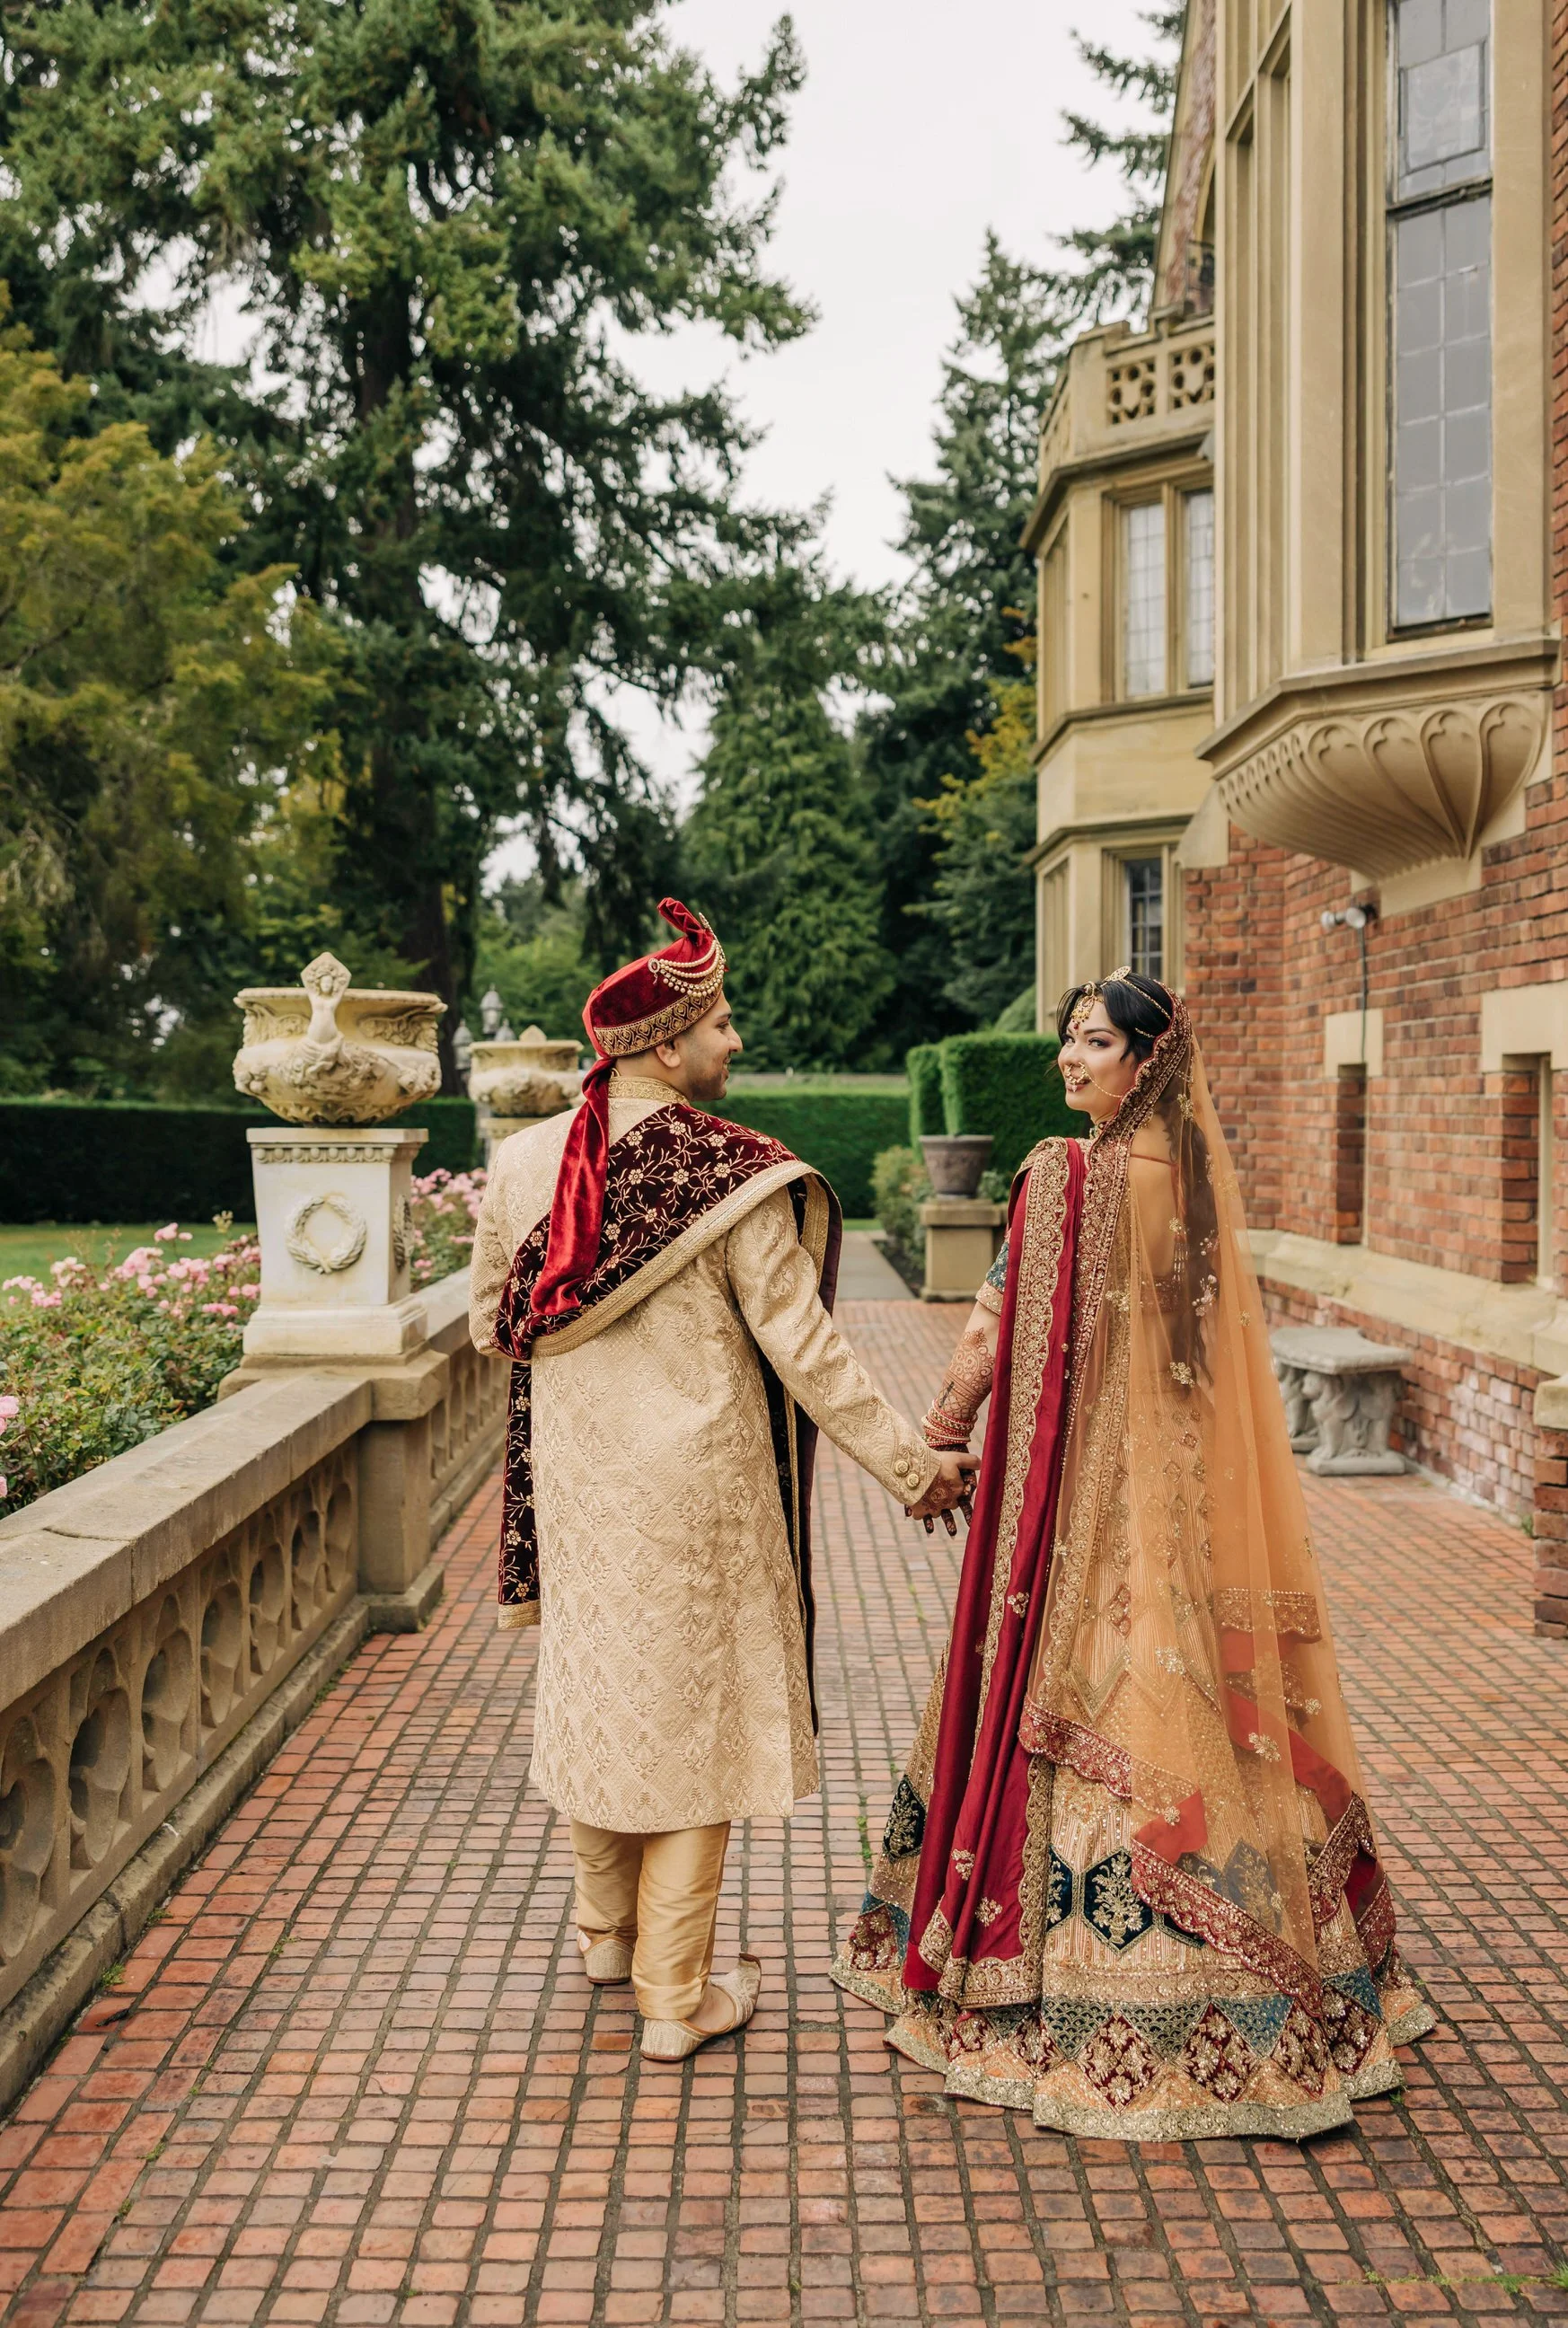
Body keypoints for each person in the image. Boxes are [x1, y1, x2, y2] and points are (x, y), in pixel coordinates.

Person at [832, 973, 1434, 2139]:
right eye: (1064, 1041)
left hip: (1078, 1516)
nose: (1068, 1061)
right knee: (1196, 1701)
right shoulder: (1197, 1189)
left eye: (1093, 1043)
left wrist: (941, 1440)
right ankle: (1282, 1968)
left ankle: (1052, 1993)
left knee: (1084, 1693)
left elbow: (988, 1329)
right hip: (1189, 1507)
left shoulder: (1064, 1179)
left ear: (1145, 1063)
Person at [469, 899, 974, 2063]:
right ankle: (675, 1996)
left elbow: (489, 1329)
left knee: (598, 1696)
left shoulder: (516, 1163)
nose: (734, 1043)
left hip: (576, 1498)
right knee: (690, 1730)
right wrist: (915, 1470)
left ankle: (605, 1934)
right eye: (722, 1024)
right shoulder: (729, 1175)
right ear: (666, 1044)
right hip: (694, 1503)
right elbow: (811, 1355)